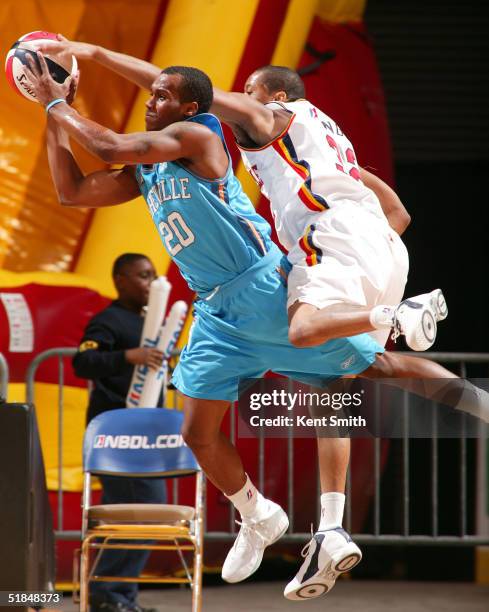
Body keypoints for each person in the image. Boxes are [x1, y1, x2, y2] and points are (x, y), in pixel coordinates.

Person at [24, 49, 488, 605]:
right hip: (216, 310)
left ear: (193, 106)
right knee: (198, 429)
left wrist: (59, 98)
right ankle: (258, 513)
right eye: (152, 97)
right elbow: (71, 192)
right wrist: (51, 118)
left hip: (260, 286)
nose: (152, 102)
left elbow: (111, 143)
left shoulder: (201, 137)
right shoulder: (150, 167)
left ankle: (456, 406)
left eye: (163, 97)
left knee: (364, 370)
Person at [73, 253, 165, 612]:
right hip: (115, 436)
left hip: (143, 435)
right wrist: (129, 357)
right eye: (143, 275)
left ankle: (118, 597)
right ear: (120, 280)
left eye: (153, 274)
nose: (151, 281)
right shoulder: (107, 321)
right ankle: (108, 594)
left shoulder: (151, 322)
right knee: (140, 511)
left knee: (142, 514)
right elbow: (82, 362)